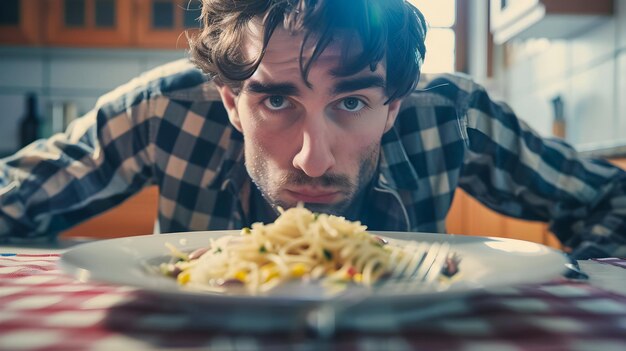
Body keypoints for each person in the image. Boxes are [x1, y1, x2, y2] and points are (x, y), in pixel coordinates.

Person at [0, 0, 624, 259]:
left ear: (395, 107)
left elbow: (611, 198)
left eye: (351, 102)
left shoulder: (451, 115)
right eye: (276, 101)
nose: (314, 160)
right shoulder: (162, 112)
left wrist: (572, 285)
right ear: (230, 103)